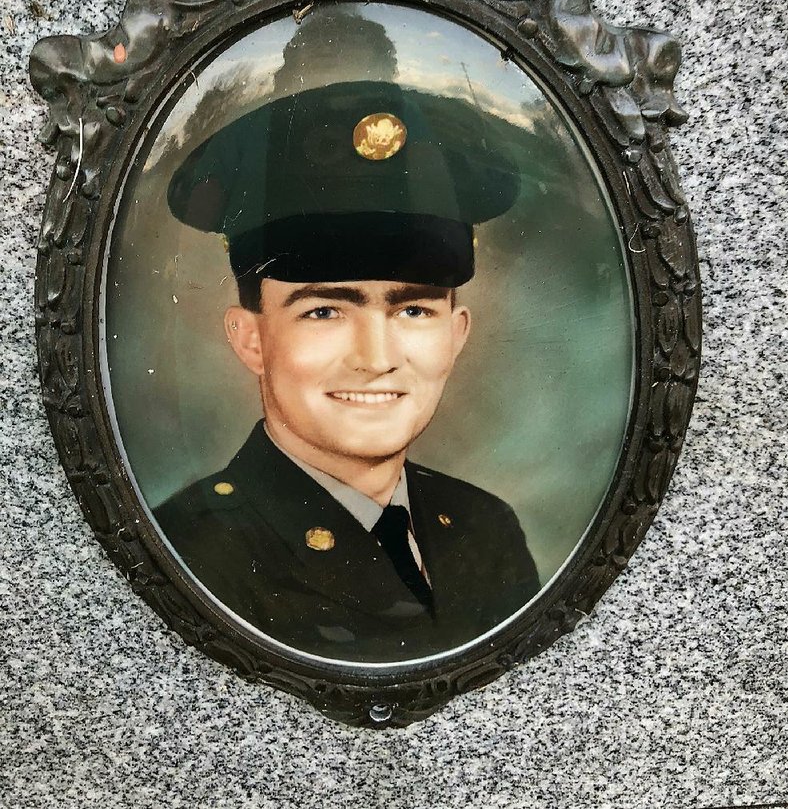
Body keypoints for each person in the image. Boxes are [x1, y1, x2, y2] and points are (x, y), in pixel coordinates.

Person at [155, 79, 540, 661]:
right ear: (252, 339)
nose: (376, 358)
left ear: (457, 334)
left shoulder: (484, 527)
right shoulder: (192, 549)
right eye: (325, 310)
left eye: (413, 309)